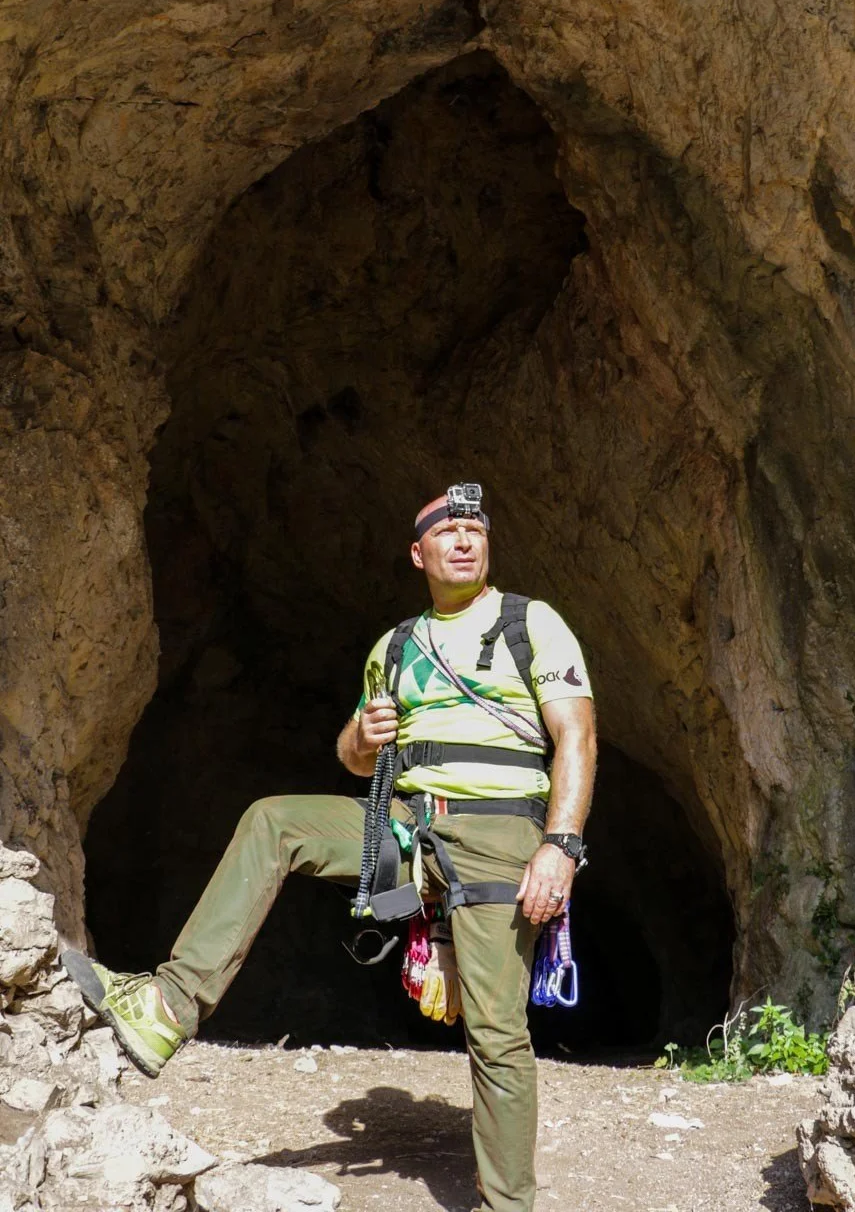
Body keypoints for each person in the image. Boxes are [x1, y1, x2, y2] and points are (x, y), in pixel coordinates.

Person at [63, 483, 597, 1212]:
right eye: (447, 532)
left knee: (497, 1033)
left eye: (475, 529)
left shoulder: (529, 624)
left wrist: (560, 846)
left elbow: (577, 736)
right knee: (272, 821)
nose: (464, 540)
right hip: (408, 824)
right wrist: (362, 738)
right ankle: (169, 1005)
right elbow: (351, 757)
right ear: (419, 553)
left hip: (502, 829)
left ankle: (509, 1204)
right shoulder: (396, 647)